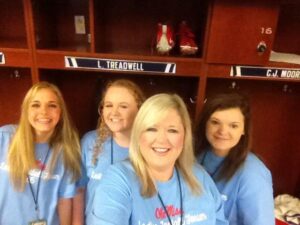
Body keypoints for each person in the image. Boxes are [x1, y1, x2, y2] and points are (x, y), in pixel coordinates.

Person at [88, 93, 228, 225]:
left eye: (172, 130)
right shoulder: (118, 180)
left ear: (184, 137)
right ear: (138, 135)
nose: (161, 140)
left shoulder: (199, 176)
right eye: (151, 129)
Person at [0, 82, 81, 225]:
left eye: (52, 105)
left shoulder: (67, 152)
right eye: (36, 105)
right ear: (26, 110)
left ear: (60, 112)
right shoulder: (4, 137)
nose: (44, 112)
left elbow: (64, 201)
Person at [195, 92, 275, 225]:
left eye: (233, 125)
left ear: (244, 129)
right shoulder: (193, 157)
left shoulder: (253, 174)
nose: (222, 131)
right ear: (205, 124)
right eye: (215, 122)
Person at [73, 79, 145, 224]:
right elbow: (79, 190)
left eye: (123, 106)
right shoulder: (90, 142)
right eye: (108, 105)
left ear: (139, 110)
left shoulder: (150, 148)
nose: (114, 112)